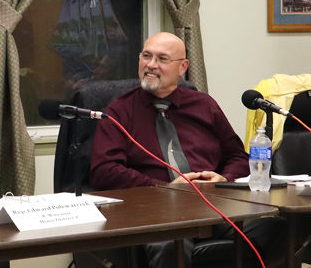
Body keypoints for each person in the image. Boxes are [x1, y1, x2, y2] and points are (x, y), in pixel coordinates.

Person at [89, 32, 284, 268]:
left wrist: (224, 177)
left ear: (183, 67)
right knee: (170, 241)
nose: (151, 65)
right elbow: (103, 171)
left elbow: (237, 157)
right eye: (146, 56)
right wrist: (164, 188)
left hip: (212, 206)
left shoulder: (204, 105)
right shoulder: (119, 111)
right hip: (157, 211)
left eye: (161, 59)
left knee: (279, 225)